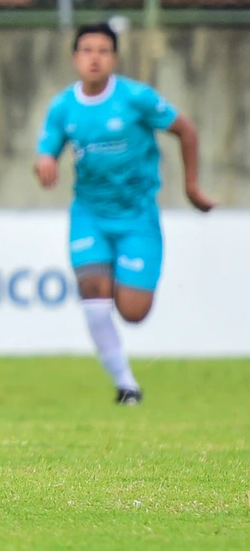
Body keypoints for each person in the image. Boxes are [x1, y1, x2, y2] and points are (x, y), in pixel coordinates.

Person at [35, 23, 215, 405]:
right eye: (86, 50)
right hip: (90, 215)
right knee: (95, 296)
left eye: (103, 50)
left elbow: (187, 130)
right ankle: (126, 386)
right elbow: (45, 149)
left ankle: (121, 272)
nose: (94, 57)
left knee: (133, 311)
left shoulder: (137, 98)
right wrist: (45, 163)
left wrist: (191, 187)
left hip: (137, 217)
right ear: (75, 57)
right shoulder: (63, 106)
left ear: (114, 58)